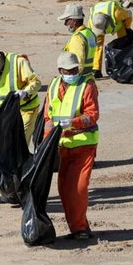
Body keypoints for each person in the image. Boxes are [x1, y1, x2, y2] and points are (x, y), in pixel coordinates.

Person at [42, 52, 100, 240]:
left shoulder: (88, 85)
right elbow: (48, 118)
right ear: (60, 71)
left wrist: (73, 122)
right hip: (62, 146)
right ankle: (76, 228)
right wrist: (46, 142)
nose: (73, 73)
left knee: (78, 188)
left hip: (84, 144)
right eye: (69, 71)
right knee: (65, 190)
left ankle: (81, 229)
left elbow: (92, 115)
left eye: (75, 70)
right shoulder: (53, 86)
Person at [0, 45, 41, 143]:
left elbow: (36, 82)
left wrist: (26, 92)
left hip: (27, 109)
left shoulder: (19, 62)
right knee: (8, 142)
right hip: (8, 111)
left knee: (20, 142)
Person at [88, 0, 133, 77]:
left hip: (118, 24)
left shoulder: (118, 14)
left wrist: (128, 28)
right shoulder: (92, 22)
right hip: (100, 24)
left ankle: (126, 66)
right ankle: (96, 69)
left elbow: (129, 14)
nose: (101, 32)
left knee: (123, 43)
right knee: (97, 45)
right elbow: (91, 38)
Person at [57, 3, 95, 77]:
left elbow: (79, 61)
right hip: (89, 74)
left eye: (67, 20)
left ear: (74, 21)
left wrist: (73, 77)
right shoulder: (89, 33)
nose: (65, 24)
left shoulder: (77, 38)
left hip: (80, 77)